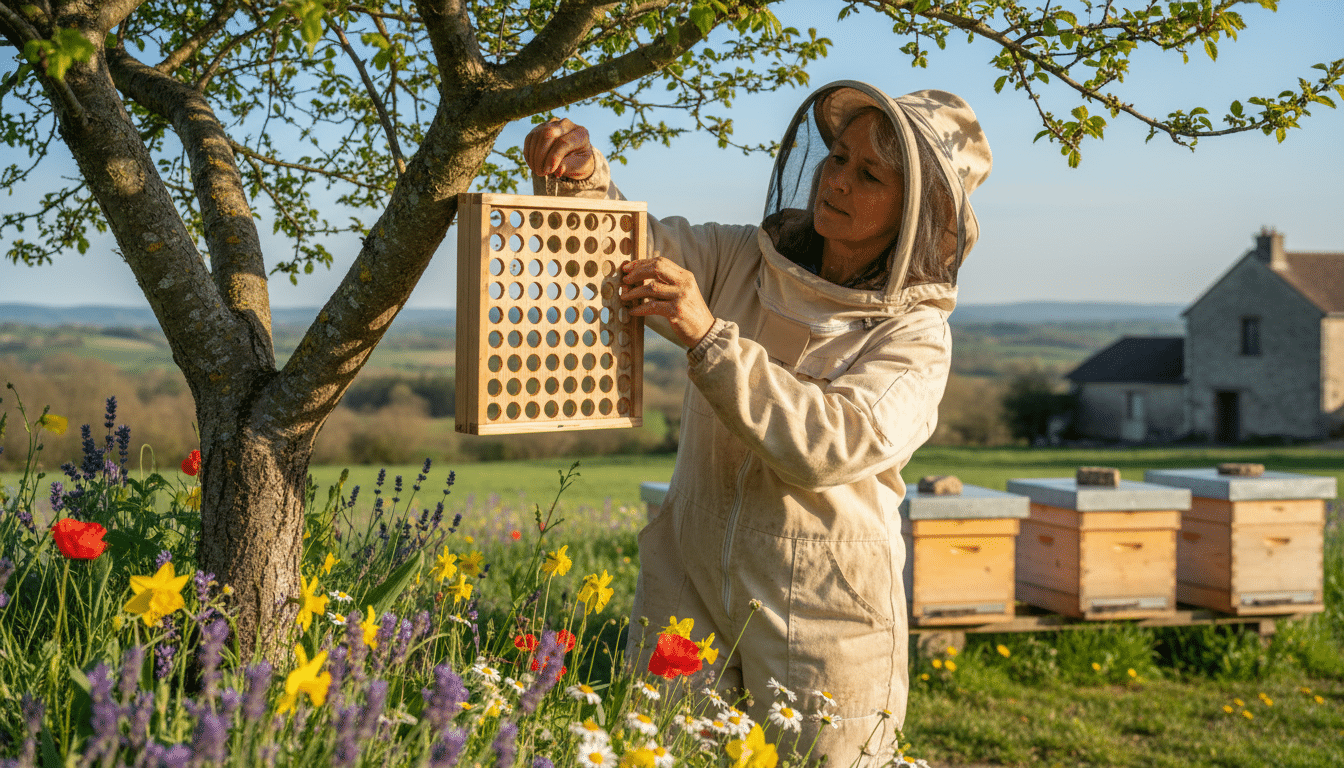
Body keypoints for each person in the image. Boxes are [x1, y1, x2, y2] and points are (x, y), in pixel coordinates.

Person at [523, 80, 991, 765]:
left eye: (869, 175)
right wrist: (582, 181)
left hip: (825, 614)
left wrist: (711, 339)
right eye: (837, 157)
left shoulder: (916, 337)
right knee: (666, 756)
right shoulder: (743, 257)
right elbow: (624, 255)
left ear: (918, 212)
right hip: (687, 579)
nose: (836, 181)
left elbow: (827, 444)